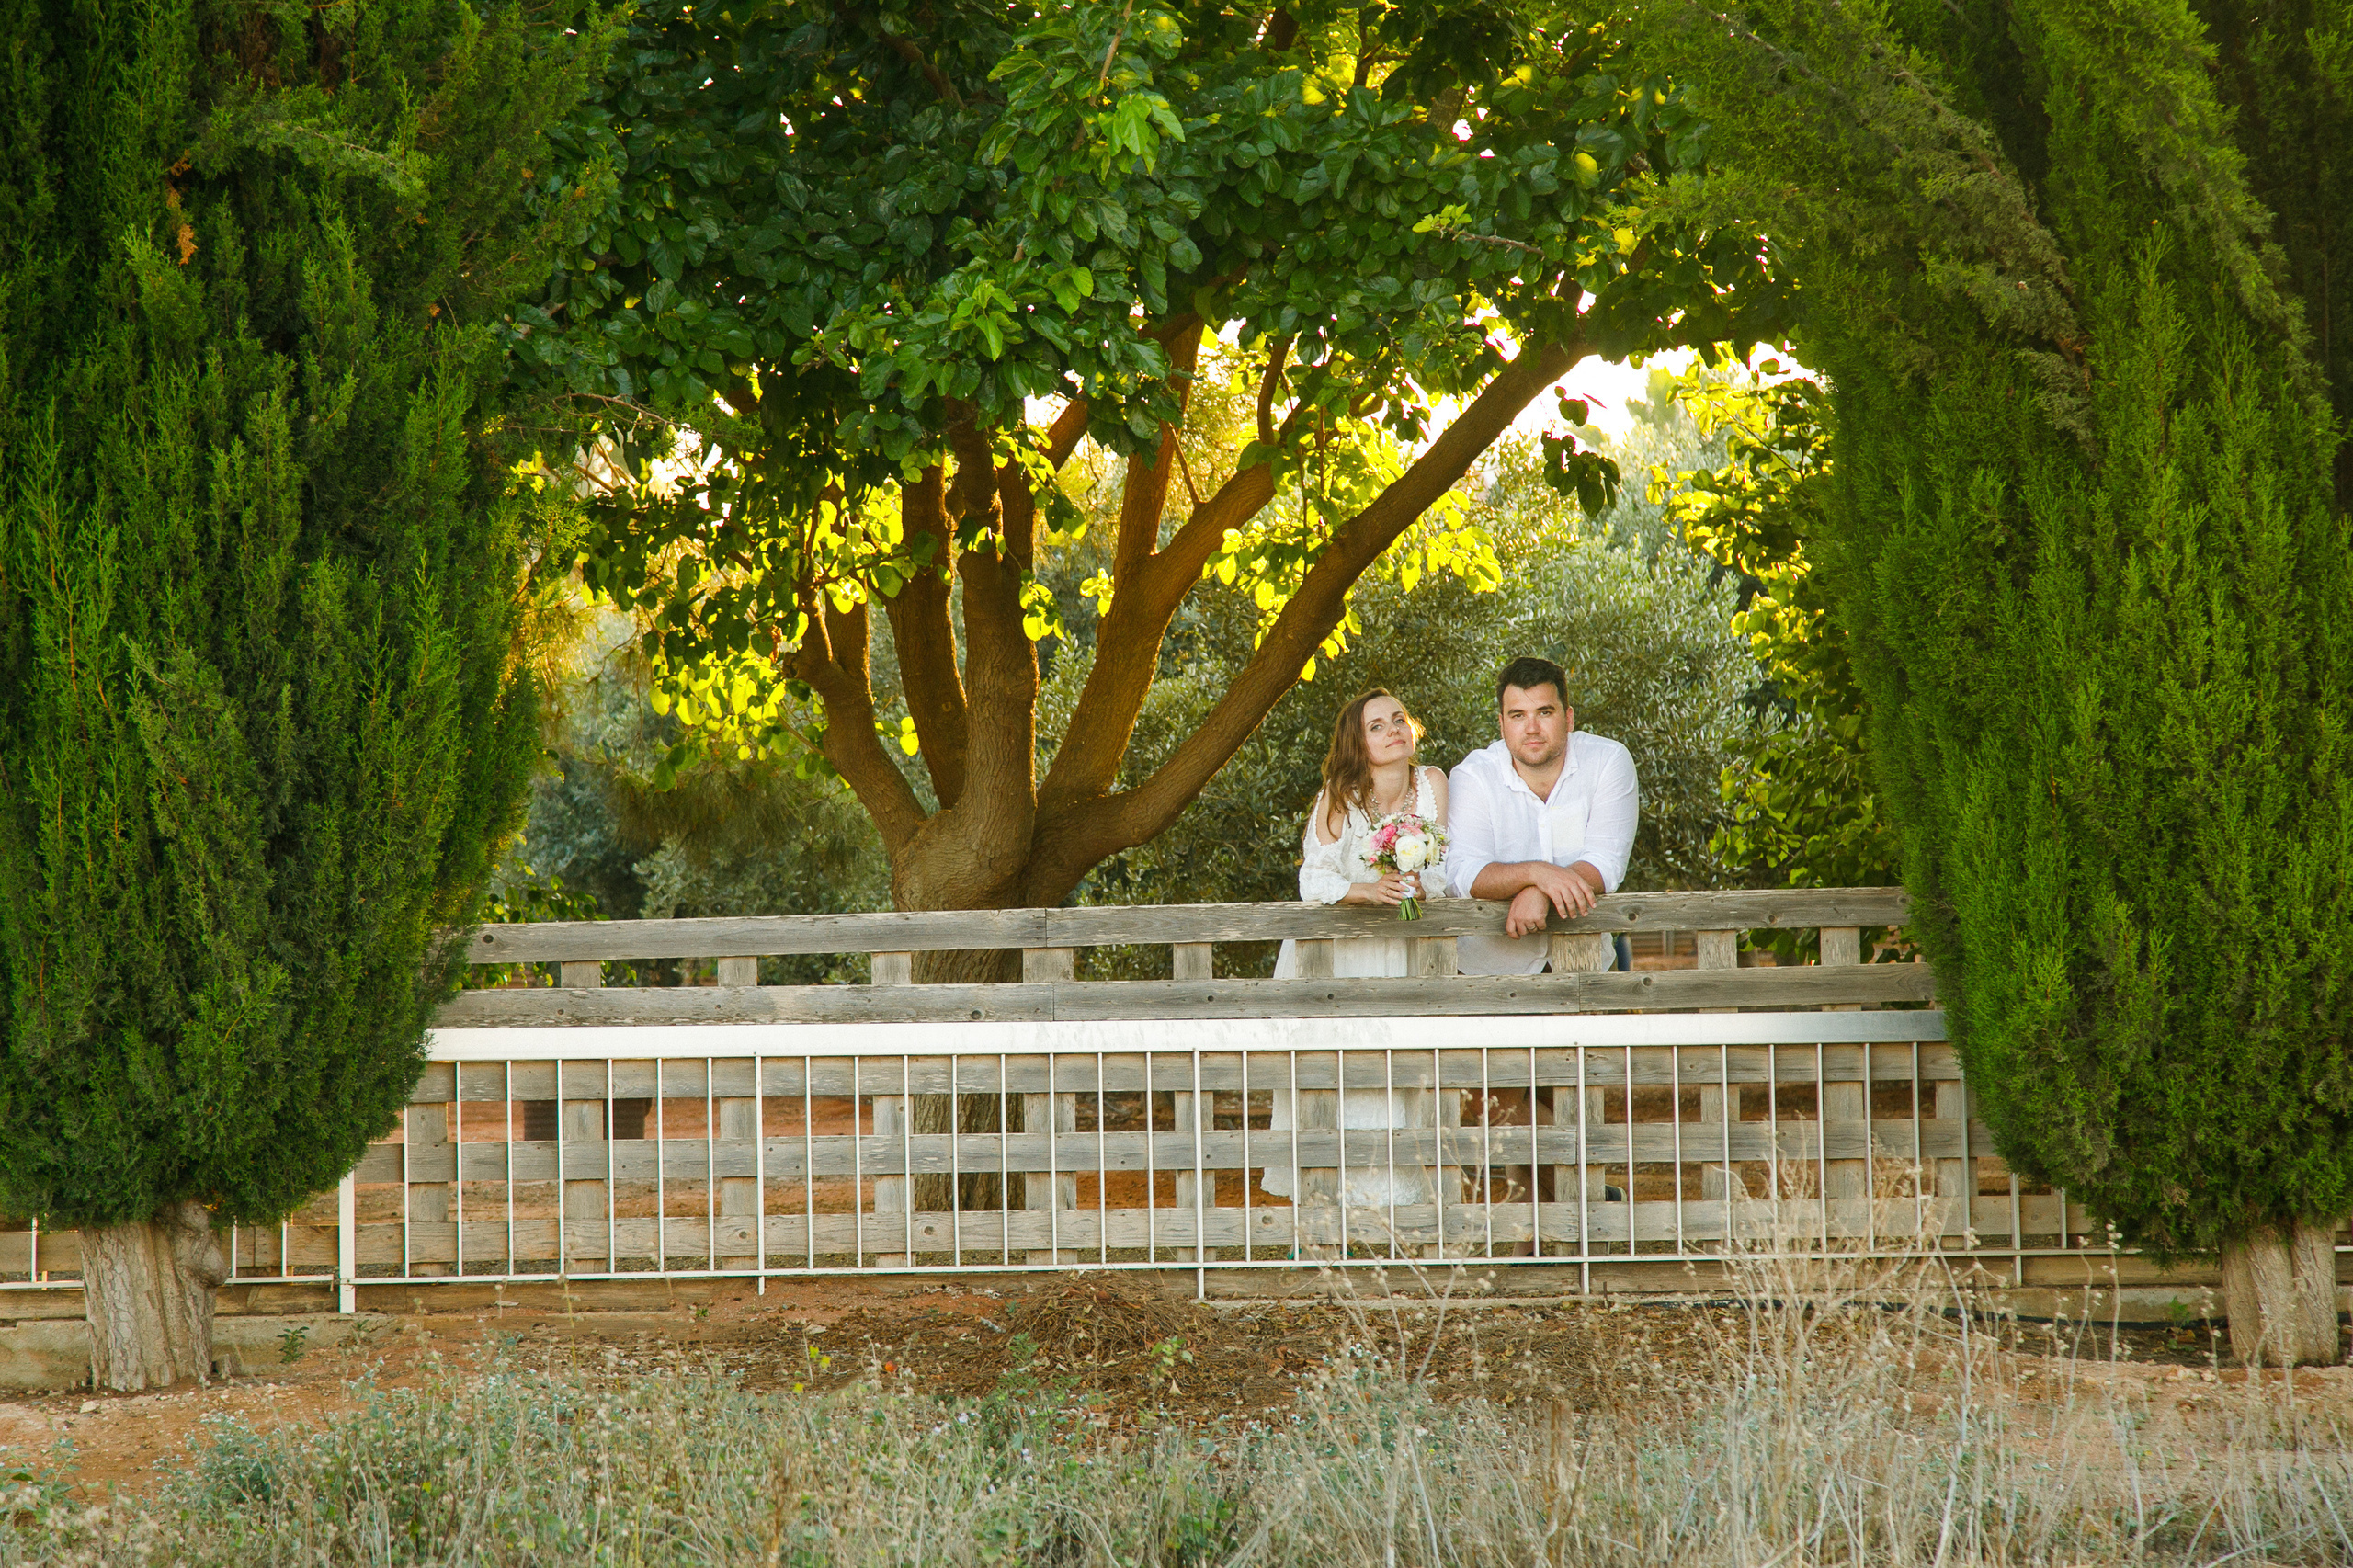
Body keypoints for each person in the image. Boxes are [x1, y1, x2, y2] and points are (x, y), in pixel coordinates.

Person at [1262, 689, 1445, 1211]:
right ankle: (1322, 1217)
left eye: (1399, 719)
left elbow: (1444, 866)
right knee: (1333, 1076)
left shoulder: (1433, 784)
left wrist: (1421, 885)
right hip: (1337, 959)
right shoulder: (1339, 796)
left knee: (1399, 1076)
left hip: (1404, 956)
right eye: (1376, 726)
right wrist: (1367, 891)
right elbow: (1314, 879)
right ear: (1358, 744)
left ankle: (1399, 1216)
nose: (1393, 731)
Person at [1446, 655, 1639, 975]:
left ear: (1569, 718)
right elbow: (1465, 874)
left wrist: (1540, 890)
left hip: (1585, 967)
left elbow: (1606, 864)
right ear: (1501, 724)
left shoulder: (1607, 761)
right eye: (1518, 715)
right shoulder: (1474, 775)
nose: (1532, 728)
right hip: (1489, 974)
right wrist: (1537, 873)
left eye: (1545, 712)